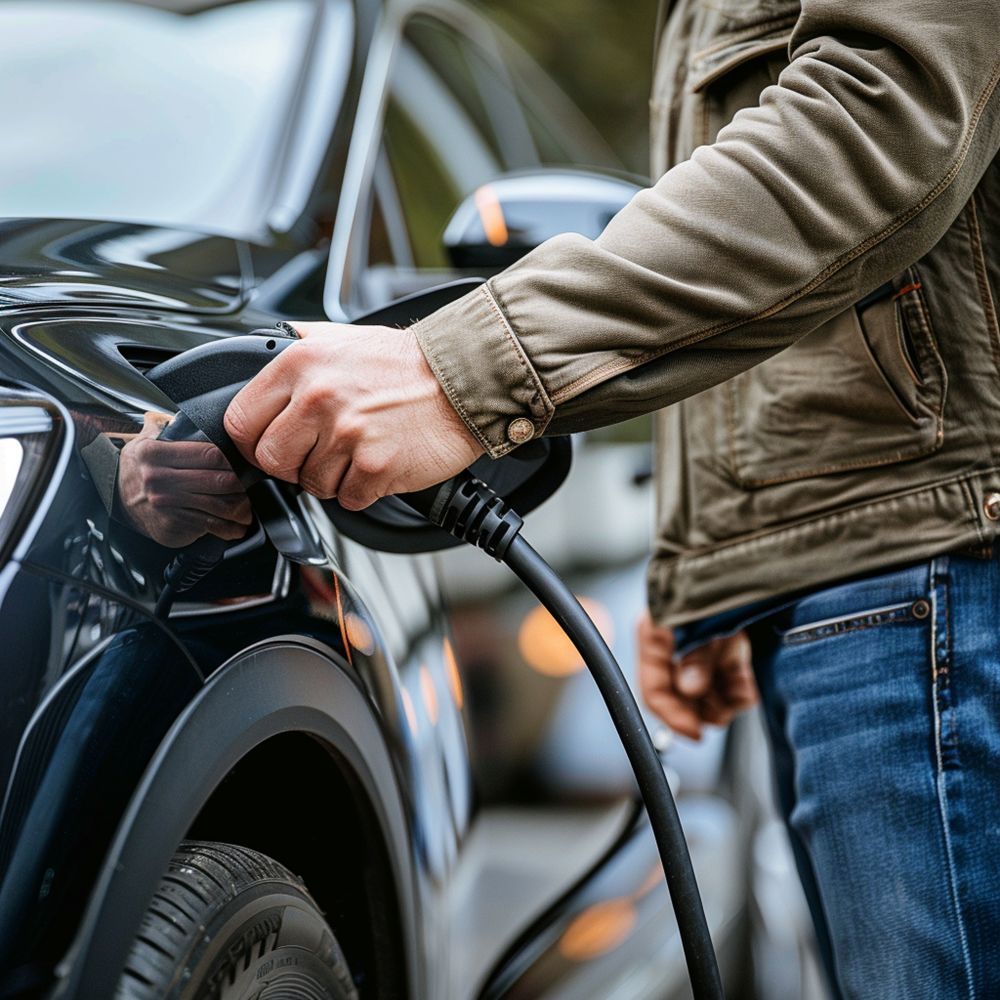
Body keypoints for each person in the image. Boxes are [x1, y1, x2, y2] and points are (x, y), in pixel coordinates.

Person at [223, 1, 1000, 997]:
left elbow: (885, 110)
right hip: (859, 578)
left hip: (923, 581)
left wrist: (458, 369)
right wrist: (707, 557)